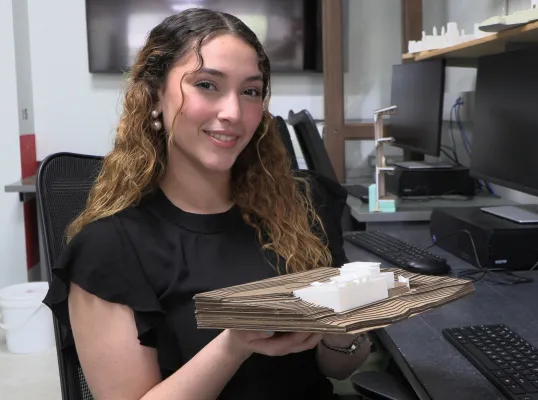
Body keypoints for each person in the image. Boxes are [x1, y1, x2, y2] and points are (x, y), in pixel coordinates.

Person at [43, 8, 371, 400]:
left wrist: (346, 331)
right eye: (207, 85)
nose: (233, 113)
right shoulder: (109, 249)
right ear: (153, 96)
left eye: (250, 91)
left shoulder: (303, 207)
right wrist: (234, 343)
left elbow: (337, 367)